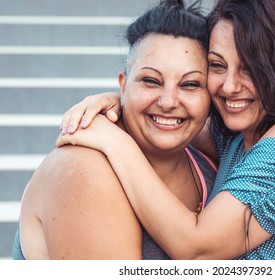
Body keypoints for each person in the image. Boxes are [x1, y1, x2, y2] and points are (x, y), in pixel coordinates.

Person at [58, 0, 275, 259]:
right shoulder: (239, 139)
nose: (229, 86)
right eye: (217, 65)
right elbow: (168, 125)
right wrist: (122, 100)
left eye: (249, 68)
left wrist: (114, 142)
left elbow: (196, 249)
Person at [13, 0, 216, 260]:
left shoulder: (209, 157)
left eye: (189, 84)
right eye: (150, 81)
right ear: (123, 85)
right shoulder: (82, 171)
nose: (168, 102)